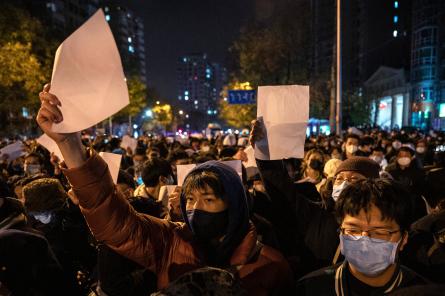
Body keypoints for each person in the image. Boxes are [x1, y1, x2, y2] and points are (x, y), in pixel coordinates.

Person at [36, 84, 294, 295]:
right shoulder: (170, 241)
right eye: (190, 200)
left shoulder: (272, 266)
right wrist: (70, 144)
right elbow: (115, 223)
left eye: (208, 199)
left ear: (235, 205)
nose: (195, 209)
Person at [297, 179, 430, 295]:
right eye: (353, 230)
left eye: (380, 232)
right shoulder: (309, 288)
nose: (364, 241)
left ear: (404, 239)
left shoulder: (424, 291)